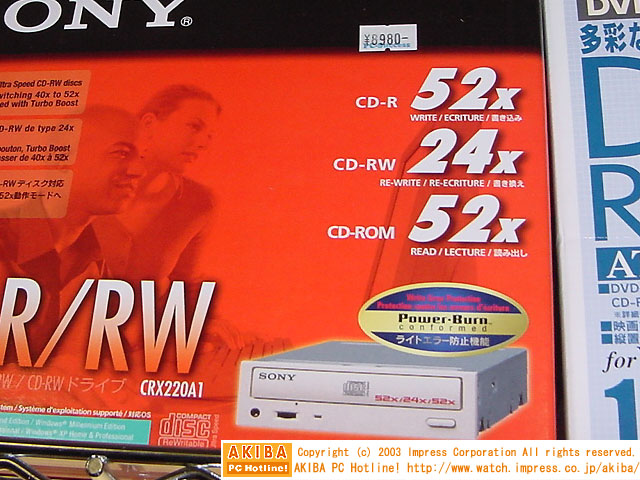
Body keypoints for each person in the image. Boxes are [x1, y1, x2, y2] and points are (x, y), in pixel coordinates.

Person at [0, 106, 144, 361]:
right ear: (61, 159)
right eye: (121, 153)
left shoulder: (106, 255)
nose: (138, 170)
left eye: (141, 157)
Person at [112, 85, 221, 295]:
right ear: (149, 123)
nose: (202, 144)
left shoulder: (199, 203)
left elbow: (185, 287)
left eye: (209, 135)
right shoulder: (92, 180)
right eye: (194, 127)